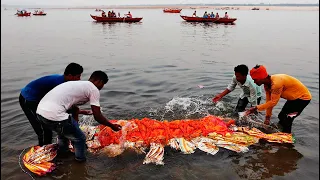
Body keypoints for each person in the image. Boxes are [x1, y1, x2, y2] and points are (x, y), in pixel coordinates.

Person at [36, 71, 122, 162]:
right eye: (103, 84)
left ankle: (63, 155)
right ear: (99, 81)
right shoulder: (93, 89)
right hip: (55, 115)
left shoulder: (78, 85)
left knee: (63, 134)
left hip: (40, 113)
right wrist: (112, 126)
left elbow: (73, 107)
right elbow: (97, 116)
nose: (102, 87)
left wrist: (81, 114)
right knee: (80, 139)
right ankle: (80, 162)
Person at [19, 63, 84, 146]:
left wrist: (79, 111)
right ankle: (43, 151)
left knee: (50, 125)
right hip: (28, 99)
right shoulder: (58, 84)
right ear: (70, 76)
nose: (79, 79)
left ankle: (49, 147)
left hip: (40, 99)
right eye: (78, 76)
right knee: (42, 129)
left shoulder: (65, 83)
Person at [245, 65, 312, 133]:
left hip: (302, 98)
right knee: (281, 116)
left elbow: (274, 102)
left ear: (262, 77)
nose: (254, 82)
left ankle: (287, 138)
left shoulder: (276, 84)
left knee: (287, 119)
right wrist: (267, 118)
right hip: (293, 99)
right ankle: (280, 132)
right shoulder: (267, 85)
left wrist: (256, 108)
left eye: (255, 79)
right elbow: (269, 101)